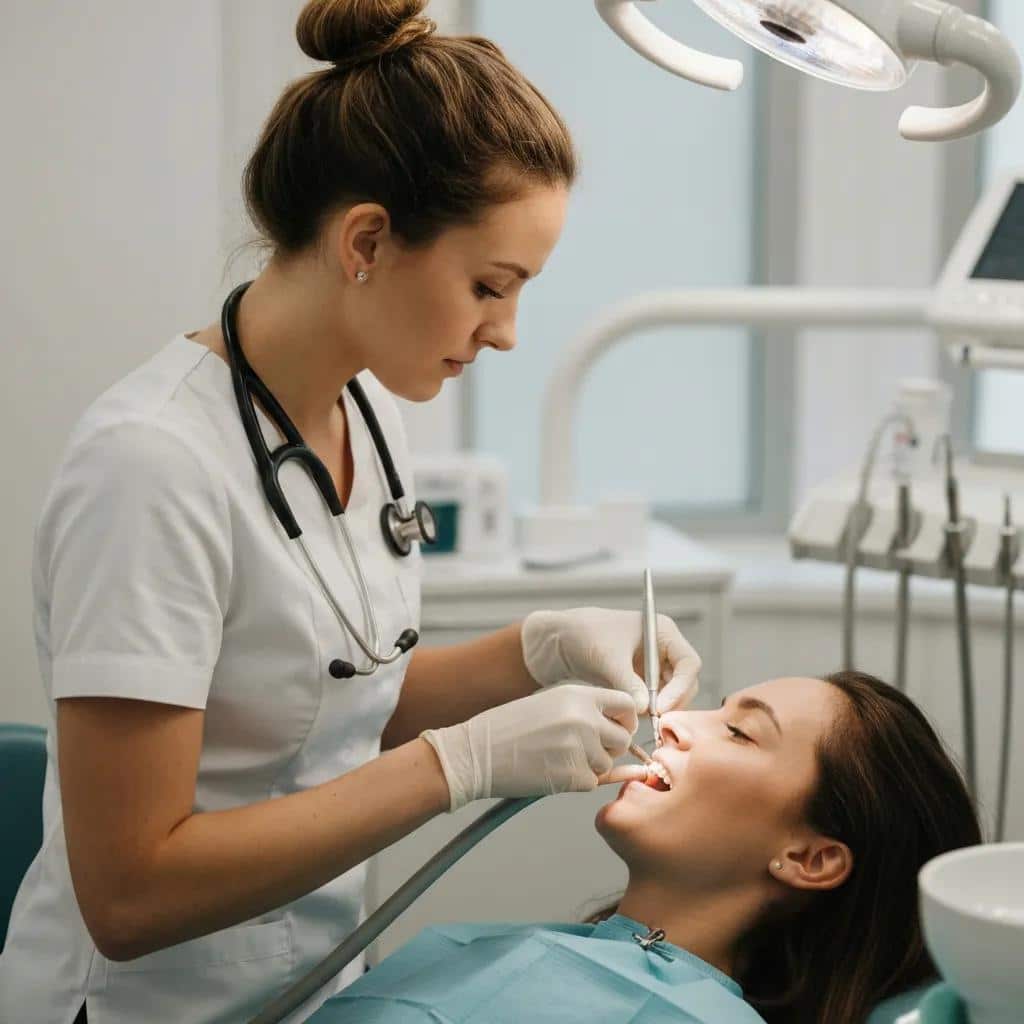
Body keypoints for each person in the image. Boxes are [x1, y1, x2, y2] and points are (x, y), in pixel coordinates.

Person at [0, 3, 703, 1022]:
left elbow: (323, 698)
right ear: (366, 239)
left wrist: (542, 647)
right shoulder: (149, 470)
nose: (503, 333)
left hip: (314, 988)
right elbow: (130, 891)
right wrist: (456, 766)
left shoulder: (364, 411)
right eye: (488, 286)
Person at [318, 671, 981, 1023]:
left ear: (810, 859)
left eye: (741, 733)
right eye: (715, 709)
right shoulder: (495, 950)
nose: (674, 721)